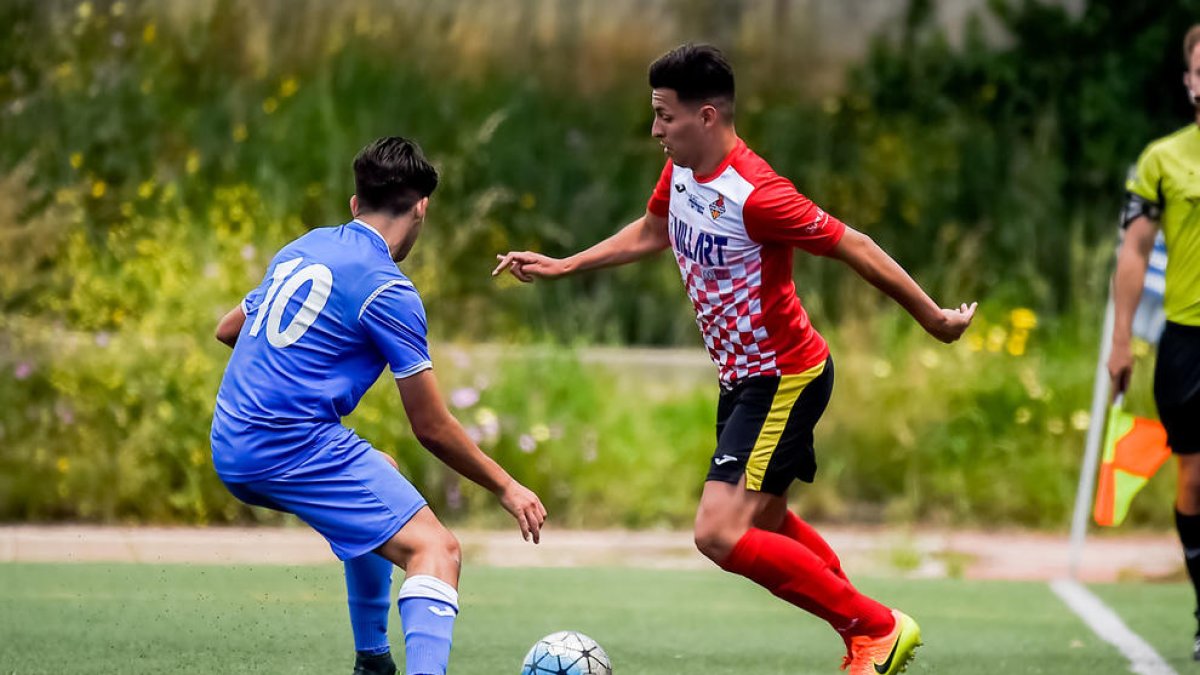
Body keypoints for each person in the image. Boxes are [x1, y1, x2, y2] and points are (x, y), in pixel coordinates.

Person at [493, 44, 975, 675]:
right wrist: (565, 264)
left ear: (708, 116)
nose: (655, 130)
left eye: (665, 116)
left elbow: (854, 244)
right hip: (742, 379)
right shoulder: (683, 171)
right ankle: (865, 629)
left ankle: (875, 628)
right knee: (766, 522)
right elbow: (653, 229)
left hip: (783, 377)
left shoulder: (758, 193)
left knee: (717, 532)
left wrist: (934, 318)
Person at [211, 136, 547, 675]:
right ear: (421, 208)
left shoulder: (304, 248)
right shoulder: (388, 291)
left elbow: (229, 329)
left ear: (355, 203)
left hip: (230, 440)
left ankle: (373, 661)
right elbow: (431, 427)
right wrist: (507, 487)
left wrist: (297, 370)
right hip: (287, 446)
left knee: (381, 471)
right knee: (437, 551)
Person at [1109, 24, 1200, 661]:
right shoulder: (1162, 159)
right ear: (1190, 81)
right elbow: (1135, 251)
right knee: (1195, 477)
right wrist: (1122, 341)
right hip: (1188, 337)